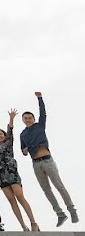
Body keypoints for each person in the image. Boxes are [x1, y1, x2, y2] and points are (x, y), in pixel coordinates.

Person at [20, 91, 78, 227]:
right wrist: (24, 150)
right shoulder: (22, 134)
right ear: (23, 120)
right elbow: (22, 150)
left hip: (47, 161)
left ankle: (72, 210)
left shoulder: (39, 126)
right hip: (35, 164)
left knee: (59, 186)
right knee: (46, 190)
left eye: (30, 118)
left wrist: (40, 98)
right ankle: (60, 214)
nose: (28, 120)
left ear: (33, 119)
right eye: (25, 118)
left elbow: (43, 113)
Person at [0, 109, 38, 231]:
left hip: (11, 173)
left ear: (4, 136)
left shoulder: (8, 143)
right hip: (0, 175)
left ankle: (33, 223)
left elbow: (10, 131)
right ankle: (23, 226)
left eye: (0, 133)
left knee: (19, 196)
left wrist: (11, 118)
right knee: (11, 200)